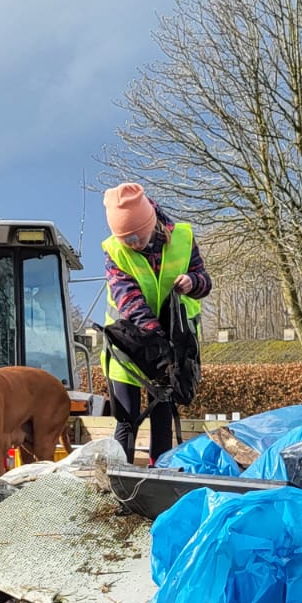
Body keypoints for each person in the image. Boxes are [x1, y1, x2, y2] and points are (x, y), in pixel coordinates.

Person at [101, 183, 212, 464]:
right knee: (126, 419)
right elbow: (130, 301)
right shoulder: (115, 251)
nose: (133, 244)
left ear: (151, 223)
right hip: (128, 346)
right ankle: (120, 478)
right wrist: (157, 340)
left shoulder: (184, 239)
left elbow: (204, 281)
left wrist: (192, 282)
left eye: (136, 237)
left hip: (171, 345)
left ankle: (158, 472)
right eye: (126, 239)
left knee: (162, 415)